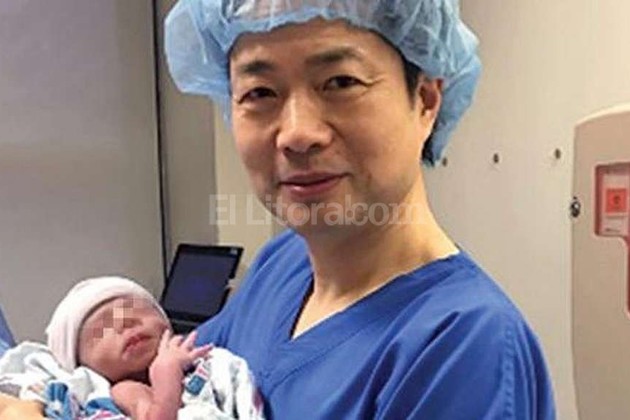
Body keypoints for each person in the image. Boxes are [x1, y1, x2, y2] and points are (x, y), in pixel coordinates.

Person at [163, 0, 557, 419]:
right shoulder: (282, 266)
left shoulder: (463, 347)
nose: (297, 134)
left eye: (340, 82)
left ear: (426, 101)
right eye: (259, 92)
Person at [0, 277, 264, 419]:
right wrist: (166, 374)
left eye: (137, 310)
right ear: (83, 365)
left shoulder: (205, 359)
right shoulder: (125, 389)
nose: (125, 323)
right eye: (101, 329)